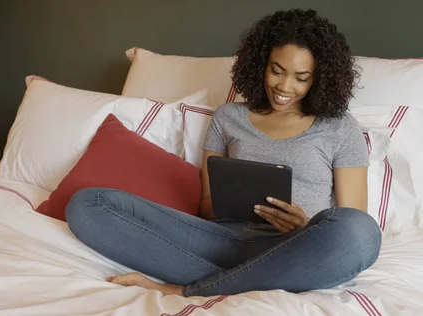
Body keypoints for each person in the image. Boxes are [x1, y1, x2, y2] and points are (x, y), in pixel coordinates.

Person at [65, 8, 382, 297]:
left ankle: (186, 288)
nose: (285, 86)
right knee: (88, 204)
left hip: (293, 247)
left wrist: (305, 226)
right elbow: (205, 207)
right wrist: (230, 202)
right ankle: (237, 281)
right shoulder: (228, 118)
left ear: (319, 79)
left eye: (301, 78)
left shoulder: (339, 128)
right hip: (218, 240)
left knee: (361, 233)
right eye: (277, 70)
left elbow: (351, 216)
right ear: (260, 65)